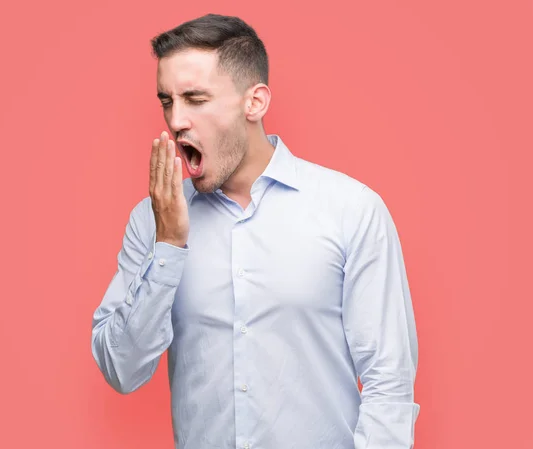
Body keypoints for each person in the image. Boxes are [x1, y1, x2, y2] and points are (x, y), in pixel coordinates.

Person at [91, 13, 420, 449]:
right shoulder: (151, 221)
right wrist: (168, 246)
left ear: (255, 103)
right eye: (167, 101)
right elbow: (122, 370)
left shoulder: (351, 210)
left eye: (195, 98)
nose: (176, 121)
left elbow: (388, 382)